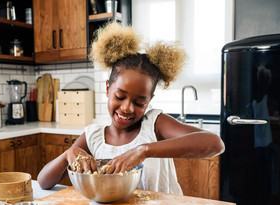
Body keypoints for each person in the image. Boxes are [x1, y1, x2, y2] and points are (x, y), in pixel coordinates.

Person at [37, 22, 225, 194]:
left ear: (150, 99)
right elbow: (44, 182)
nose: (127, 108)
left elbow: (215, 143)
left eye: (139, 102)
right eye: (120, 96)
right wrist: (67, 155)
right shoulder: (93, 136)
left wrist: (143, 150)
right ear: (108, 89)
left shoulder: (154, 125)